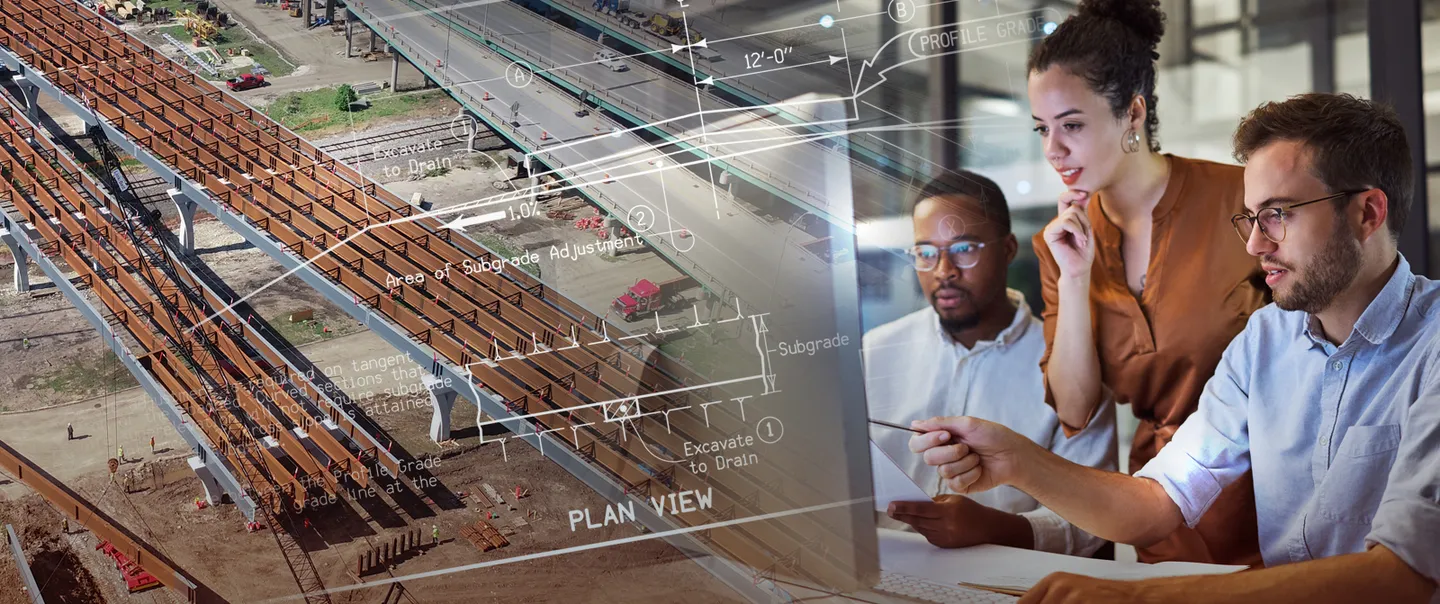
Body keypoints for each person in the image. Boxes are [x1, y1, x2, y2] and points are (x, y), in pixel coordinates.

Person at [910, 93, 1438, 602]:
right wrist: (1017, 461)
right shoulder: (1264, 341)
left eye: (1279, 213)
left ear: (1367, 213)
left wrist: (1140, 597)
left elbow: (1401, 577)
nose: (1256, 244)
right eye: (1251, 217)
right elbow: (1158, 500)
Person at [1026, 0, 1265, 565]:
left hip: (1271, 498)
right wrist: (1076, 277)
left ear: (1133, 112)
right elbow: (1075, 408)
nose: (1053, 150)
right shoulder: (1059, 244)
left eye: (1072, 125)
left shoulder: (1242, 199)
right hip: (1158, 508)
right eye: (1042, 129)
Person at [863, 170, 1117, 556]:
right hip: (883, 568)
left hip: (1012, 579)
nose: (943, 270)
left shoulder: (1069, 366)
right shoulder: (876, 351)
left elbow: (1096, 520)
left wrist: (996, 528)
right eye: (926, 253)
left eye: (964, 248)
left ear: (1008, 249)